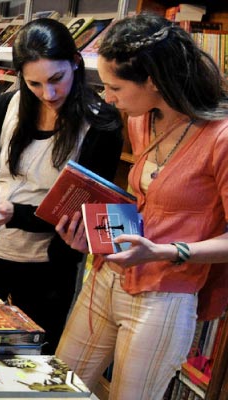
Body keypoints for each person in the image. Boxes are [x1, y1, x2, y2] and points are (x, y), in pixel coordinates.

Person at [54, 14, 228, 399]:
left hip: (163, 295)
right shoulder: (141, 120)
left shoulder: (220, 138)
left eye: (115, 87)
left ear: (152, 80)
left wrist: (166, 251)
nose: (108, 98)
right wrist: (93, 238)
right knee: (56, 387)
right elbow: (142, 207)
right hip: (105, 278)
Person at [0, 18, 123, 355]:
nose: (48, 94)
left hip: (44, 267)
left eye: (57, 79)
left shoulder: (100, 124)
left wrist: (11, 213)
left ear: (76, 61)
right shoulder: (8, 104)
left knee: (31, 360)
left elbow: (77, 214)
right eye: (34, 84)